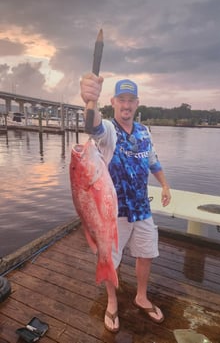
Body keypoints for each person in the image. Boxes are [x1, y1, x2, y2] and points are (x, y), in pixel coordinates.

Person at [80, 73, 171, 332]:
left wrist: (164, 184)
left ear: (137, 103)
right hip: (113, 213)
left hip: (142, 208)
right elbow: (93, 126)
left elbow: (152, 160)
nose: (126, 105)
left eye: (131, 100)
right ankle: (111, 302)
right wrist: (90, 101)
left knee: (146, 254)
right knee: (110, 258)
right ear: (113, 101)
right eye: (122, 99)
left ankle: (141, 296)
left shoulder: (144, 132)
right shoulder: (109, 131)